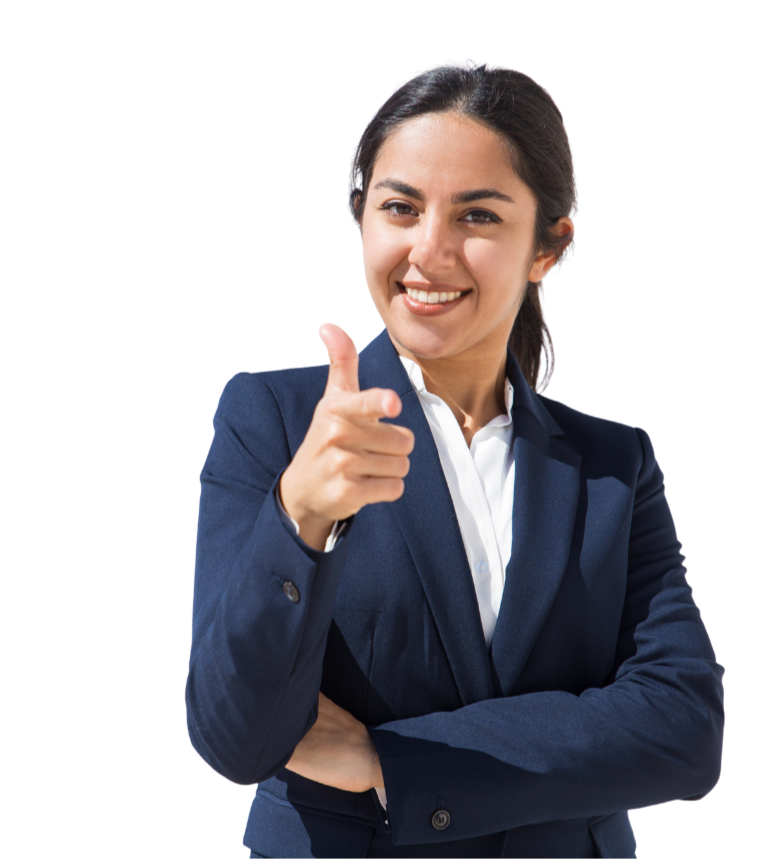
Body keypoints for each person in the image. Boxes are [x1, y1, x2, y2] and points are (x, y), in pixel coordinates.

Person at [185, 60, 725, 859]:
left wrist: (388, 760)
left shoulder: (613, 463)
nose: (428, 252)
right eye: (400, 206)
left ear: (549, 246)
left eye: (477, 215)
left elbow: (684, 728)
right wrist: (299, 517)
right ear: (361, 217)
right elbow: (236, 738)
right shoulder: (274, 422)